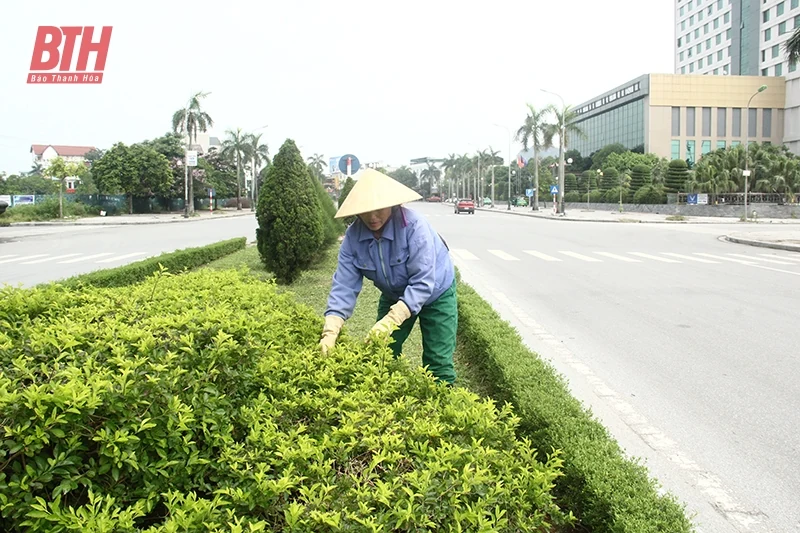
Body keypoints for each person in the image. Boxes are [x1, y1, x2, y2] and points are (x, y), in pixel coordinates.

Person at [319, 168, 457, 385]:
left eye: (379, 210)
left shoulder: (414, 227)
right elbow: (344, 285)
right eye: (365, 211)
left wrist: (392, 320)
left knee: (437, 363)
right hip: (394, 295)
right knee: (381, 353)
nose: (372, 217)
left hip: (436, 293)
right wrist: (331, 327)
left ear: (393, 205)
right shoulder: (353, 239)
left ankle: (443, 407)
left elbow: (423, 282)